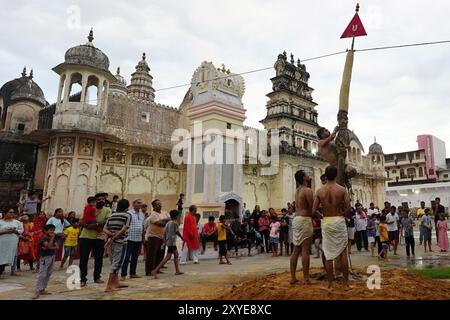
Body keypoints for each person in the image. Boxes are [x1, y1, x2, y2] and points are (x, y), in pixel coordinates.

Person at [312, 166, 352, 290]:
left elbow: (313, 211)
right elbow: (349, 208)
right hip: (338, 220)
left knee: (328, 254)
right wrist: (343, 216)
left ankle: (330, 285)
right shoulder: (342, 189)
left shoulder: (319, 191)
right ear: (335, 175)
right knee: (343, 253)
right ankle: (345, 284)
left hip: (327, 221)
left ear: (326, 175)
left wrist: (322, 217)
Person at [79, 193, 111, 287]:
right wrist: (88, 226)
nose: (101, 201)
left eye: (103, 199)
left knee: (98, 259)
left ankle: (97, 277)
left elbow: (107, 221)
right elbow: (81, 221)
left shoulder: (107, 210)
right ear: (95, 201)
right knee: (84, 259)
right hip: (86, 236)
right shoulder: (88, 208)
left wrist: (94, 225)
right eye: (99, 199)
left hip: (99, 237)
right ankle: (83, 279)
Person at [290, 170, 314, 285]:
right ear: (304, 178)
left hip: (296, 219)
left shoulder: (297, 191)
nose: (308, 175)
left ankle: (293, 277)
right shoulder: (307, 190)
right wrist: (323, 216)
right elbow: (312, 208)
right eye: (306, 174)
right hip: (304, 220)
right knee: (305, 250)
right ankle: (306, 278)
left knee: (296, 249)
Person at [103, 199, 131, 292]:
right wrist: (114, 237)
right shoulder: (127, 215)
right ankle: (109, 286)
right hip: (120, 242)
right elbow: (124, 229)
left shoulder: (112, 215)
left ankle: (115, 282)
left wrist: (111, 237)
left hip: (112, 242)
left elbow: (105, 229)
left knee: (113, 262)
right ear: (127, 207)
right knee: (117, 264)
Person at [151, 210, 184, 277]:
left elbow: (165, 233)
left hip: (169, 241)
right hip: (172, 242)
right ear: (177, 216)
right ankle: (155, 270)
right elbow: (176, 231)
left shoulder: (168, 223)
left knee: (176, 255)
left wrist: (164, 241)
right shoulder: (175, 223)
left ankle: (177, 270)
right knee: (168, 257)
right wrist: (181, 237)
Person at [120, 199, 145, 280]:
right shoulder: (128, 213)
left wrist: (143, 238)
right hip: (129, 238)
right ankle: (123, 274)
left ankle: (132, 273)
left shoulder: (142, 214)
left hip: (138, 238)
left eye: (141, 203)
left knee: (135, 257)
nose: (140, 204)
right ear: (133, 204)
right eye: (138, 203)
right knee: (126, 257)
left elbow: (143, 226)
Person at [145, 199, 170, 275]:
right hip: (153, 236)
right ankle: (149, 271)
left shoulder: (164, 213)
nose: (160, 205)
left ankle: (157, 269)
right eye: (157, 204)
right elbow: (160, 224)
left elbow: (169, 220)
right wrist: (165, 220)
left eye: (160, 204)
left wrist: (163, 220)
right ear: (153, 206)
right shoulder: (153, 214)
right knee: (151, 254)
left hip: (162, 237)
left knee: (160, 254)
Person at [32, 224, 57, 299]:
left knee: (48, 273)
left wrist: (50, 247)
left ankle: (42, 289)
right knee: (42, 274)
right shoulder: (43, 239)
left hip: (52, 256)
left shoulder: (51, 238)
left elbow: (57, 246)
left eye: (53, 230)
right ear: (45, 231)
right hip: (45, 258)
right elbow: (49, 246)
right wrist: (51, 243)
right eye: (50, 230)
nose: (52, 231)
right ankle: (37, 291)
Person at [0, 209, 23, 278]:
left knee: (7, 257)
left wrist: (14, 231)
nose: (12, 214)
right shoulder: (1, 222)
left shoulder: (17, 222)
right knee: (1, 257)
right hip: (2, 242)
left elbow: (20, 231)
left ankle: (2, 271)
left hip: (12, 243)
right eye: (10, 212)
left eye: (13, 212)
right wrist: (6, 231)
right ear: (5, 213)